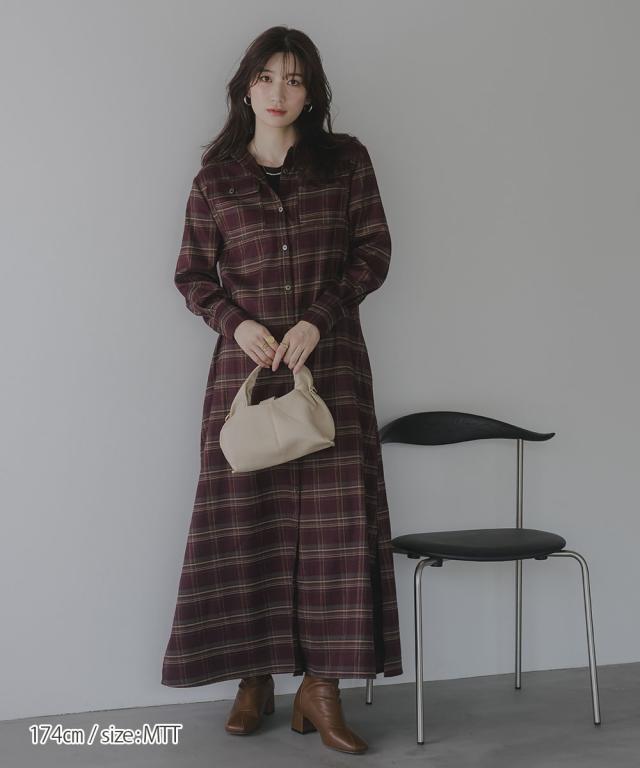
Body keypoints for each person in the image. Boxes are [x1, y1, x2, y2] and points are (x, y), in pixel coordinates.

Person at [161, 26, 403, 755]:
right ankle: (254, 678)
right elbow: (192, 276)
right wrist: (235, 324)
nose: (278, 92)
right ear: (246, 86)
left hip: (331, 370)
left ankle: (321, 689)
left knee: (338, 528)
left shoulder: (346, 162)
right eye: (266, 77)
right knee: (244, 526)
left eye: (294, 80)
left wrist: (317, 318)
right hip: (245, 377)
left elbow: (373, 252)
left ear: (312, 92)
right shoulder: (216, 181)